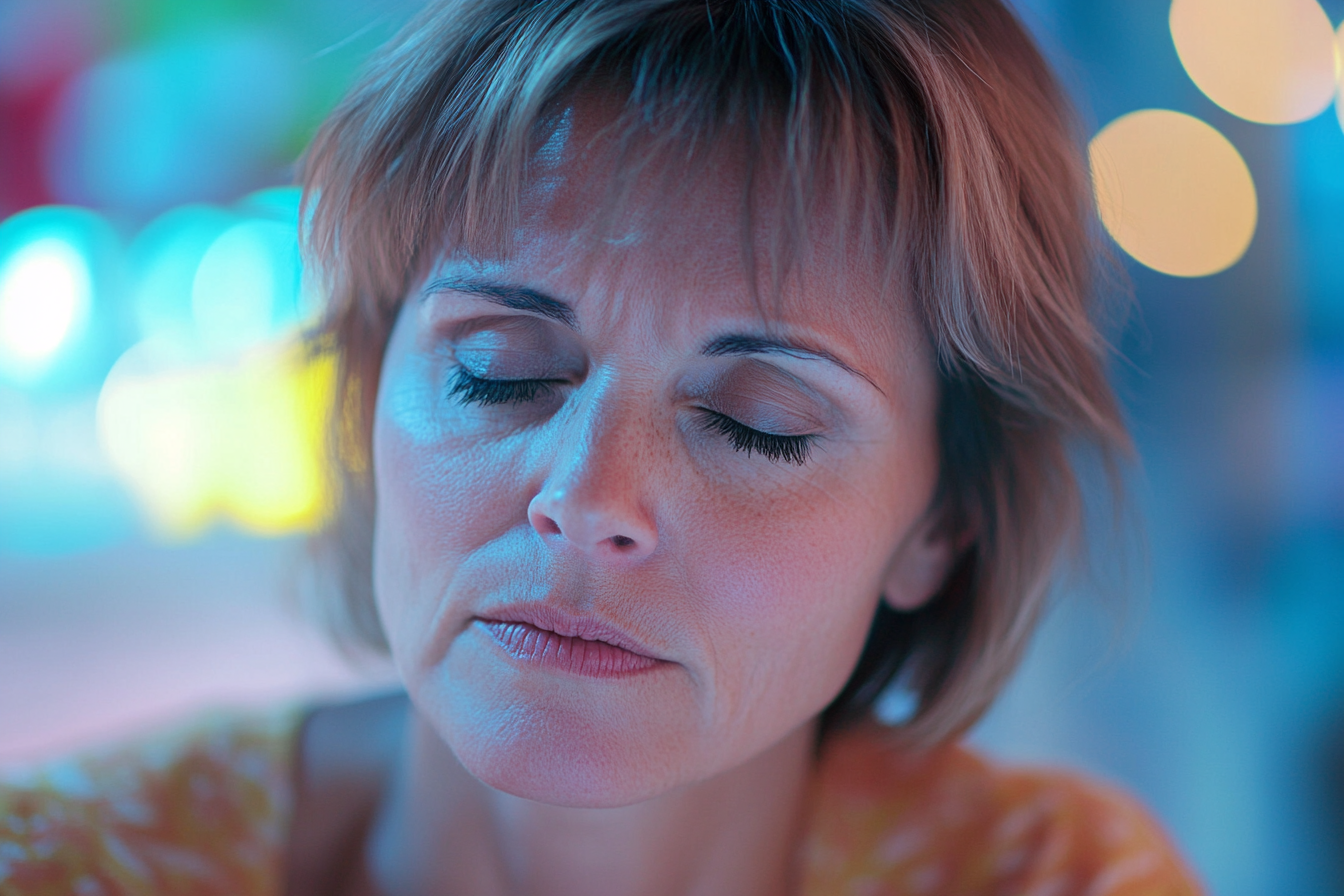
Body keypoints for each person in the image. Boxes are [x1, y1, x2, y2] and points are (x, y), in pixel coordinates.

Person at [0, 1, 1205, 894]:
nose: (585, 499)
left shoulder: (1053, 876)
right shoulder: (55, 863)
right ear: (370, 385)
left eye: (757, 422)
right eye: (498, 369)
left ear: (943, 520)